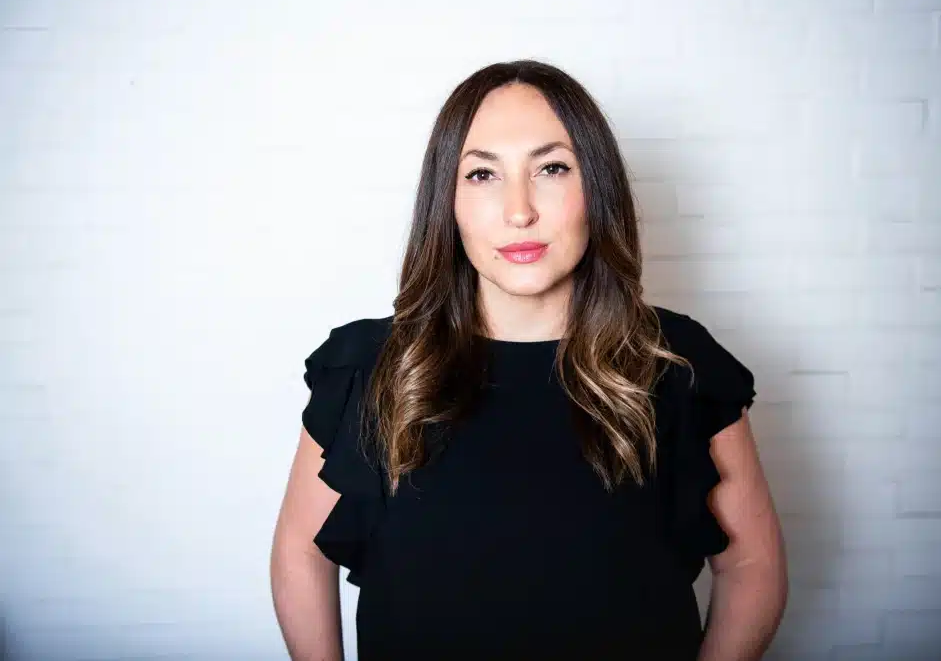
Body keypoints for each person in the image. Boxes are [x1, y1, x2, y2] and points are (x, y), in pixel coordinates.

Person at [270, 59, 787, 661]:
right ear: (447, 202)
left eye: (552, 168)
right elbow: (301, 550)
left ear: (596, 188)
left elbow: (750, 563)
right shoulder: (366, 366)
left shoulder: (677, 362)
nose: (520, 211)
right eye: (482, 174)